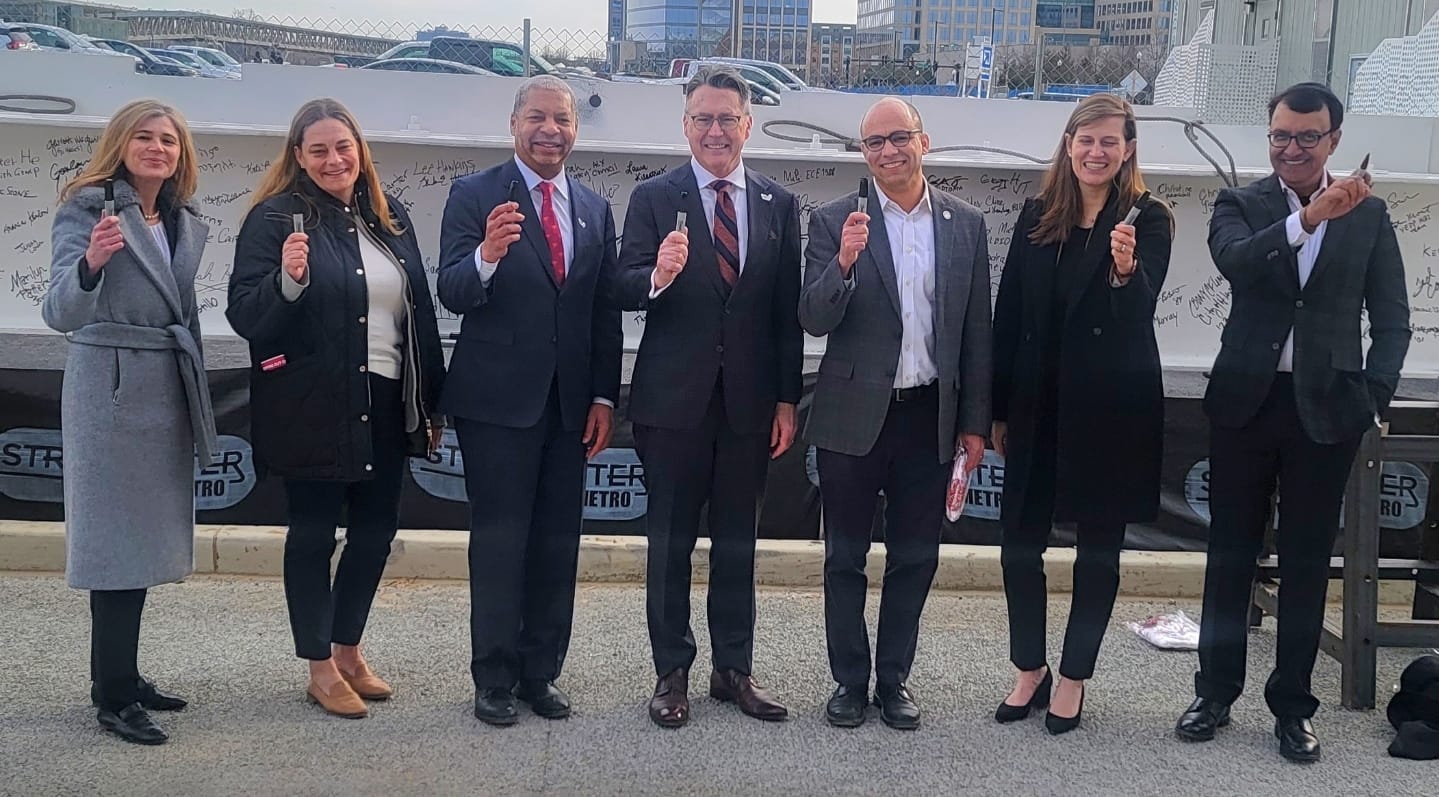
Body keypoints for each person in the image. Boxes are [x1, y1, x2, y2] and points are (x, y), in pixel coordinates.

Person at [1175, 82, 1410, 762]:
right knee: (1227, 557)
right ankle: (1213, 692)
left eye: (1306, 136)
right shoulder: (1240, 204)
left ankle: (1292, 706)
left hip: (1327, 409)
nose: (1290, 148)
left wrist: (1374, 395)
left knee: (1307, 564)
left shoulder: (1368, 217)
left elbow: (1391, 318)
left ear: (1333, 139)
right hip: (1246, 403)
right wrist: (1307, 219)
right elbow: (1237, 263)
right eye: (1279, 135)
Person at [227, 97, 446, 720]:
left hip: (384, 399)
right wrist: (287, 282)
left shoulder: (388, 215)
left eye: (342, 147)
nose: (333, 159)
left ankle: (348, 650)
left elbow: (419, 314)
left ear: (360, 151)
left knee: (376, 532)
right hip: (310, 404)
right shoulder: (275, 220)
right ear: (298, 157)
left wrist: (431, 399)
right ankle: (318, 666)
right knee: (314, 534)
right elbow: (246, 315)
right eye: (318, 150)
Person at [615, 64, 803, 728]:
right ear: (685, 125)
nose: (716, 130)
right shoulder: (652, 198)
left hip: (749, 408)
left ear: (747, 125)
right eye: (703, 118)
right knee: (668, 545)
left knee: (737, 544)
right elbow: (622, 284)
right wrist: (658, 275)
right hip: (672, 406)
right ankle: (672, 670)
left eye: (728, 118)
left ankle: (733, 669)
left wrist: (786, 401)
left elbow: (784, 314)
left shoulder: (779, 204)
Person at [799, 97, 991, 730]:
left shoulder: (965, 223)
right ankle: (849, 681)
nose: (888, 151)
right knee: (844, 557)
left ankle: (895, 679)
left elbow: (976, 333)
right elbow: (813, 317)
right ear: (864, 153)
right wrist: (845, 263)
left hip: (928, 418)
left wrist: (974, 423)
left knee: (915, 557)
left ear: (923, 142)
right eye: (875, 142)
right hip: (853, 416)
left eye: (898, 138)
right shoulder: (834, 221)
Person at [436, 76, 623, 726]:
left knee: (555, 544)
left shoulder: (595, 209)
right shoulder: (474, 193)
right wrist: (486, 254)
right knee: (498, 542)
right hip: (497, 406)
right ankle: (493, 677)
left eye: (561, 120)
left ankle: (540, 672)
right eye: (537, 117)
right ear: (514, 124)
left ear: (575, 129)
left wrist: (604, 394)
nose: (550, 130)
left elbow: (601, 311)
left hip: (571, 408)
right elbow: (452, 290)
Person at [989, 94, 1173, 734]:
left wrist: (1125, 272)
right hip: (1036, 404)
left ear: (1127, 150)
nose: (1096, 152)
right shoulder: (1037, 215)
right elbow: (1008, 312)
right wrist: (995, 408)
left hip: (1110, 410)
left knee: (1098, 554)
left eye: (1109, 142)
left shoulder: (1149, 219)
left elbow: (1137, 318)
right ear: (1068, 145)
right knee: (1019, 546)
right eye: (1085, 140)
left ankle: (1073, 678)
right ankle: (1028, 668)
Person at [42, 98, 217, 745]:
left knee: (141, 542)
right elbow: (59, 311)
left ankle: (123, 673)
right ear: (121, 143)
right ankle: (112, 694)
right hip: (109, 392)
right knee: (115, 544)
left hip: (164, 390)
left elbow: (187, 311)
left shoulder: (183, 220)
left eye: (168, 139)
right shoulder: (86, 208)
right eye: (144, 137)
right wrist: (90, 262)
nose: (157, 148)